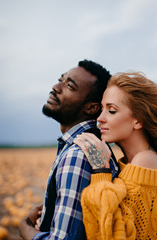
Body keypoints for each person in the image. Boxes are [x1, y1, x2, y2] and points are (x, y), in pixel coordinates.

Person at [74, 72, 157, 240]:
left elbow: (113, 233)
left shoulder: (145, 161)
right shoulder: (140, 161)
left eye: (111, 111)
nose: (100, 118)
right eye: (102, 109)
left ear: (138, 120)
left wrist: (101, 170)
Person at [18, 60, 119, 240]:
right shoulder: (86, 146)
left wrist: (24, 227)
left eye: (69, 86)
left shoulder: (78, 154)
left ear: (91, 107)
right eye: (60, 80)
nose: (56, 87)